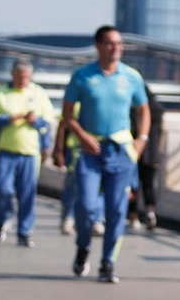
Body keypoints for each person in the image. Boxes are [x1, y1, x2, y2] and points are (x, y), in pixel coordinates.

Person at [55, 26, 149, 283]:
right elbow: (67, 115)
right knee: (85, 206)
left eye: (119, 43)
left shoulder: (131, 77)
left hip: (121, 152)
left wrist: (141, 140)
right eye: (110, 43)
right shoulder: (83, 76)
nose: (116, 48)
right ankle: (83, 246)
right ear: (98, 46)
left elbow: (144, 110)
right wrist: (82, 136)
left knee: (117, 210)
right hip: (89, 151)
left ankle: (108, 262)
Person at [0, 59, 54, 247]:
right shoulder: (1, 93)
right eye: (20, 76)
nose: (24, 80)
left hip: (30, 153)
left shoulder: (38, 93)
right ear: (12, 75)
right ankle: (3, 219)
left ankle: (24, 230)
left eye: (27, 77)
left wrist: (35, 121)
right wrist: (8, 119)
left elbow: (48, 118)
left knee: (27, 194)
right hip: (6, 151)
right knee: (2, 189)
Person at [53, 103, 103, 237]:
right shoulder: (75, 103)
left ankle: (96, 220)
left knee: (100, 187)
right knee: (73, 186)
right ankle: (68, 218)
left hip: (99, 150)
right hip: (77, 150)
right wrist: (58, 151)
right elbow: (63, 126)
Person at [129, 83, 164, 232]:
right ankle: (151, 212)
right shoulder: (158, 111)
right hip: (152, 155)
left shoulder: (134, 111)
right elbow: (161, 133)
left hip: (135, 152)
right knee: (149, 186)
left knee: (133, 186)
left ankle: (134, 217)